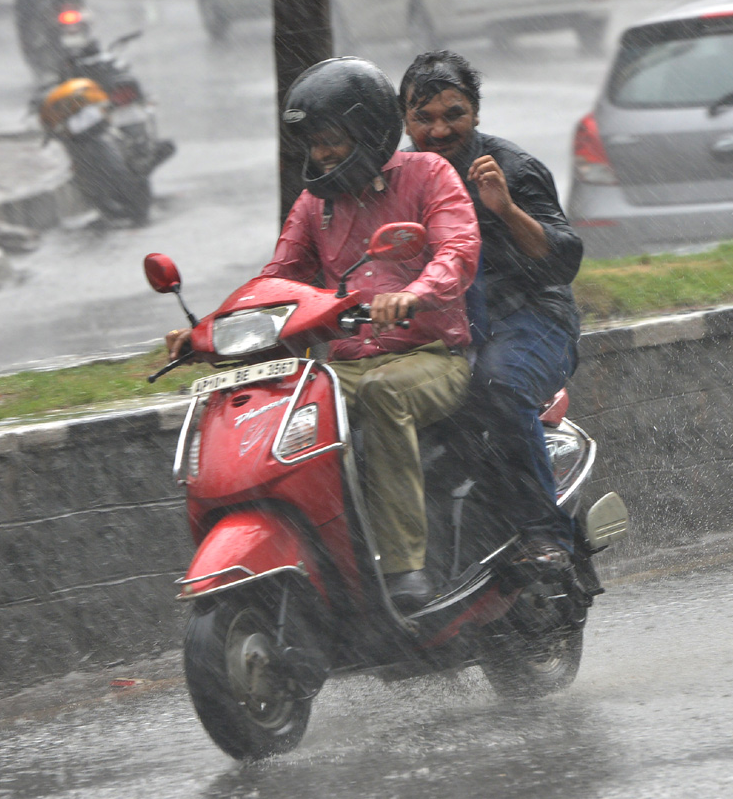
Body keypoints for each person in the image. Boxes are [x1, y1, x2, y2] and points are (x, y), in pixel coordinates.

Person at [168, 57, 481, 612]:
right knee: (279, 407)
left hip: (431, 355)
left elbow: (456, 251)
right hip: (345, 366)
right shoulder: (317, 203)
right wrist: (208, 333)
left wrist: (414, 293)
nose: (323, 154)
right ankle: (326, 560)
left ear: (369, 131)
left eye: (333, 139)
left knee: (386, 394)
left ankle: (407, 568)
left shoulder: (429, 174)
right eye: (314, 142)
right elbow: (277, 278)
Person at [399, 49, 583, 570]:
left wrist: (505, 208)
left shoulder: (514, 169)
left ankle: (545, 534)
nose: (438, 130)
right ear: (404, 119)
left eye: (453, 114)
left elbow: (563, 263)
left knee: (498, 388)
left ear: (476, 113)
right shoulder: (395, 179)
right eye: (423, 117)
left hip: (529, 316)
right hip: (441, 326)